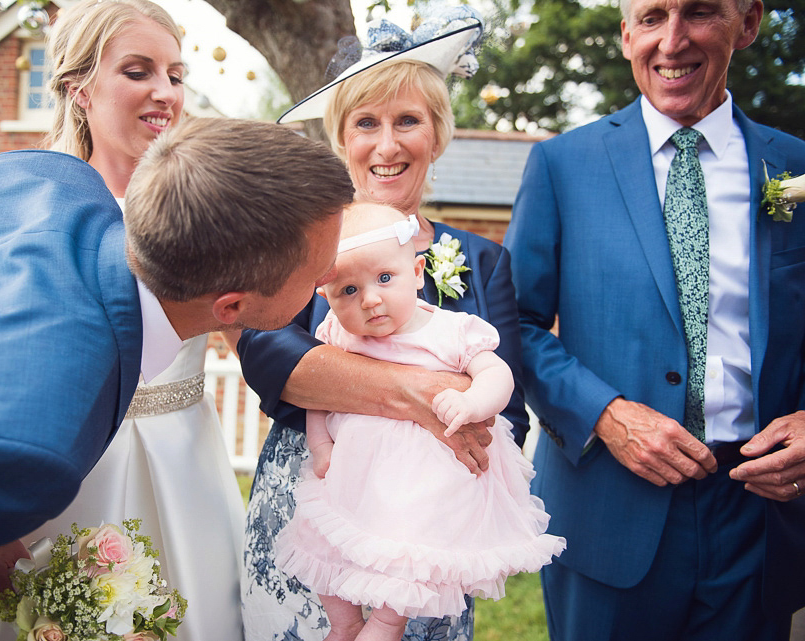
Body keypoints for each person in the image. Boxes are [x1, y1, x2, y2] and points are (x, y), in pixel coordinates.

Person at [0, 114, 354, 641]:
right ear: (231, 306)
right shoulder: (32, 442)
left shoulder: (44, 175)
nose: (329, 278)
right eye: (317, 273)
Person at [504, 0, 805, 638]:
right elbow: (517, 326)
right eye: (651, 17)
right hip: (607, 507)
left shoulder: (794, 167)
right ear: (624, 34)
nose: (672, 41)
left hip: (758, 512)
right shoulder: (562, 165)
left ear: (747, 24)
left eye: (699, 12)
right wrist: (607, 415)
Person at [0, 2, 246, 640]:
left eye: (175, 73)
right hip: (55, 486)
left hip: (185, 472)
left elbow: (274, 345)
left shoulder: (211, 212)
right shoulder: (22, 207)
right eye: (138, 71)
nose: (164, 92)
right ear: (78, 88)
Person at [238, 10, 530, 641]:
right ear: (341, 137)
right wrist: (420, 393)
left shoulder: (484, 261)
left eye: (408, 121)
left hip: (429, 540)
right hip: (312, 511)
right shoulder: (296, 244)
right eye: (366, 123)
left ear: (438, 133)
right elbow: (268, 355)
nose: (387, 144)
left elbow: (513, 411)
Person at [274, 202, 565, 641]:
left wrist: (473, 404)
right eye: (348, 291)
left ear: (418, 271)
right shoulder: (337, 332)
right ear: (326, 297)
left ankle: (388, 622)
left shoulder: (451, 330)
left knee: (410, 544)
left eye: (384, 279)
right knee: (322, 537)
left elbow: (498, 373)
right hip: (355, 466)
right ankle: (344, 620)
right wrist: (320, 444)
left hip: (424, 478)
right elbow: (317, 396)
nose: (370, 300)